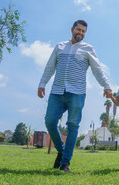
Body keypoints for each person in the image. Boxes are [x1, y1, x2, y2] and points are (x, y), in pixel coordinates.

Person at [37, 20, 112, 173]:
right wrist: (42, 83)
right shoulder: (59, 46)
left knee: (73, 126)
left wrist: (106, 86)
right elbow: (50, 66)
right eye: (78, 30)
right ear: (72, 29)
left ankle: (65, 163)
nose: (81, 33)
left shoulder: (88, 49)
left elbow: (97, 69)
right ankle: (61, 150)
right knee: (50, 121)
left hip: (77, 93)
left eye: (83, 31)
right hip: (57, 91)